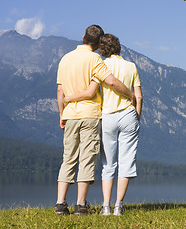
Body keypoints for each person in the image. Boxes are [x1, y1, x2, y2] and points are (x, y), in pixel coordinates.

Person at [55, 25, 136, 215]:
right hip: (90, 115)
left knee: (68, 159)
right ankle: (81, 204)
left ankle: (60, 204)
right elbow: (111, 82)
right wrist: (130, 94)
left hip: (70, 115)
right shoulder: (95, 60)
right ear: (100, 43)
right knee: (87, 159)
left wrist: (62, 113)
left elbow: (60, 91)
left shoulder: (65, 59)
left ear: (83, 37)